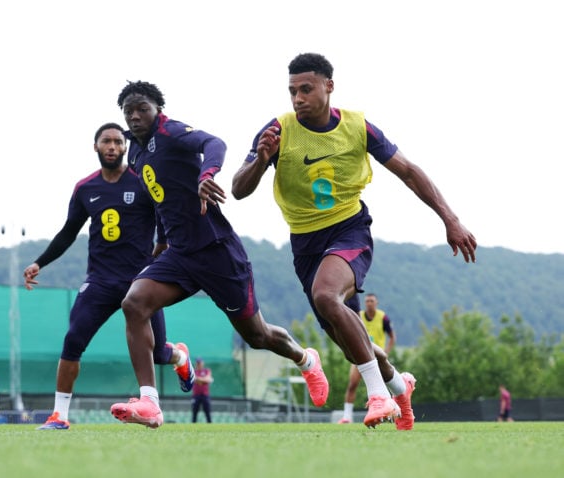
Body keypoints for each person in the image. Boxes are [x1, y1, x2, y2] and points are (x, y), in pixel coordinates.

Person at [232, 52, 477, 430]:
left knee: (326, 296)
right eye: (292, 91)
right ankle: (399, 384)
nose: (298, 98)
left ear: (329, 86)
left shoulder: (358, 127)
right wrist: (261, 160)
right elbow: (238, 189)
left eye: (306, 89)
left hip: (349, 230)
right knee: (351, 342)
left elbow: (409, 172)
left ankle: (377, 396)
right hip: (305, 245)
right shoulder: (278, 131)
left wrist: (451, 219)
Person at [109, 80, 329, 429]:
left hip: (217, 252)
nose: (135, 116)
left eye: (142, 109)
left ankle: (305, 359)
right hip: (180, 254)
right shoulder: (135, 153)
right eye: (128, 111)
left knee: (257, 337)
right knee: (134, 303)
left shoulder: (171, 132)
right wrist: (162, 240)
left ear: (157, 111)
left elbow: (215, 143)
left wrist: (207, 174)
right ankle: (150, 403)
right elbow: (161, 197)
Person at [23, 122, 195, 430]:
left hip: (141, 282)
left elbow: (165, 222)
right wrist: (40, 263)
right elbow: (67, 233)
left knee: (158, 353)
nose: (113, 146)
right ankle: (59, 415)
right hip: (100, 281)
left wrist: (158, 256)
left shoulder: (143, 181)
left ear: (125, 147)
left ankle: (179, 357)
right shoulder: (86, 188)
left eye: (118, 141)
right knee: (73, 339)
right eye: (107, 141)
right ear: (96, 147)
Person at [338, 293, 396, 423]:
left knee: (386, 384)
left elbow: (392, 336)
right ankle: (347, 417)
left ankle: (393, 410)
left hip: (377, 357)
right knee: (352, 384)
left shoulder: (383, 318)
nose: (369, 303)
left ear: (376, 303)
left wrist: (386, 352)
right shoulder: (359, 316)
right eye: (367, 301)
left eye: (372, 301)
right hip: (360, 355)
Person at [191, 357, 214, 423]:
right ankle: (193, 426)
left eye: (200, 362)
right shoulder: (193, 371)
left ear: (202, 363)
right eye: (197, 363)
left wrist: (198, 379)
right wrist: (204, 380)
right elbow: (194, 379)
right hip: (196, 395)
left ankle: (210, 426)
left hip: (205, 395)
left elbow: (208, 379)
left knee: (207, 412)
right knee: (194, 413)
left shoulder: (207, 370)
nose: (198, 364)